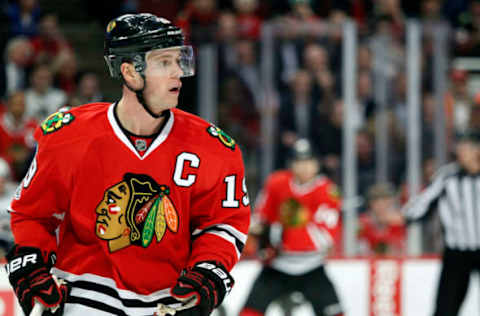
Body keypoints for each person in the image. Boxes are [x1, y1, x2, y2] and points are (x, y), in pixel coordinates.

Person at [5, 13, 251, 316]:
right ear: (130, 73)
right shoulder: (68, 136)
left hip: (168, 302)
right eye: (164, 62)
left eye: (179, 60)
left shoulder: (214, 148)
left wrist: (208, 269)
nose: (179, 73)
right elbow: (33, 214)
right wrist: (31, 256)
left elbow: (223, 223)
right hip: (84, 297)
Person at [240, 138, 343, 316]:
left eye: (308, 161)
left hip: (312, 267)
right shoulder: (276, 183)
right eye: (298, 161)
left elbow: (323, 239)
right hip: (276, 266)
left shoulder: (328, 191)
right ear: (291, 164)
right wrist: (267, 235)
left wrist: (278, 233)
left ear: (317, 164)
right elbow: (260, 220)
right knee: (249, 313)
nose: (304, 167)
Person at [402, 129, 480, 316]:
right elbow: (421, 204)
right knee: (446, 307)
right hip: (457, 250)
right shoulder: (447, 177)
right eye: (460, 148)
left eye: (467, 148)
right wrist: (404, 215)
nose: (461, 152)